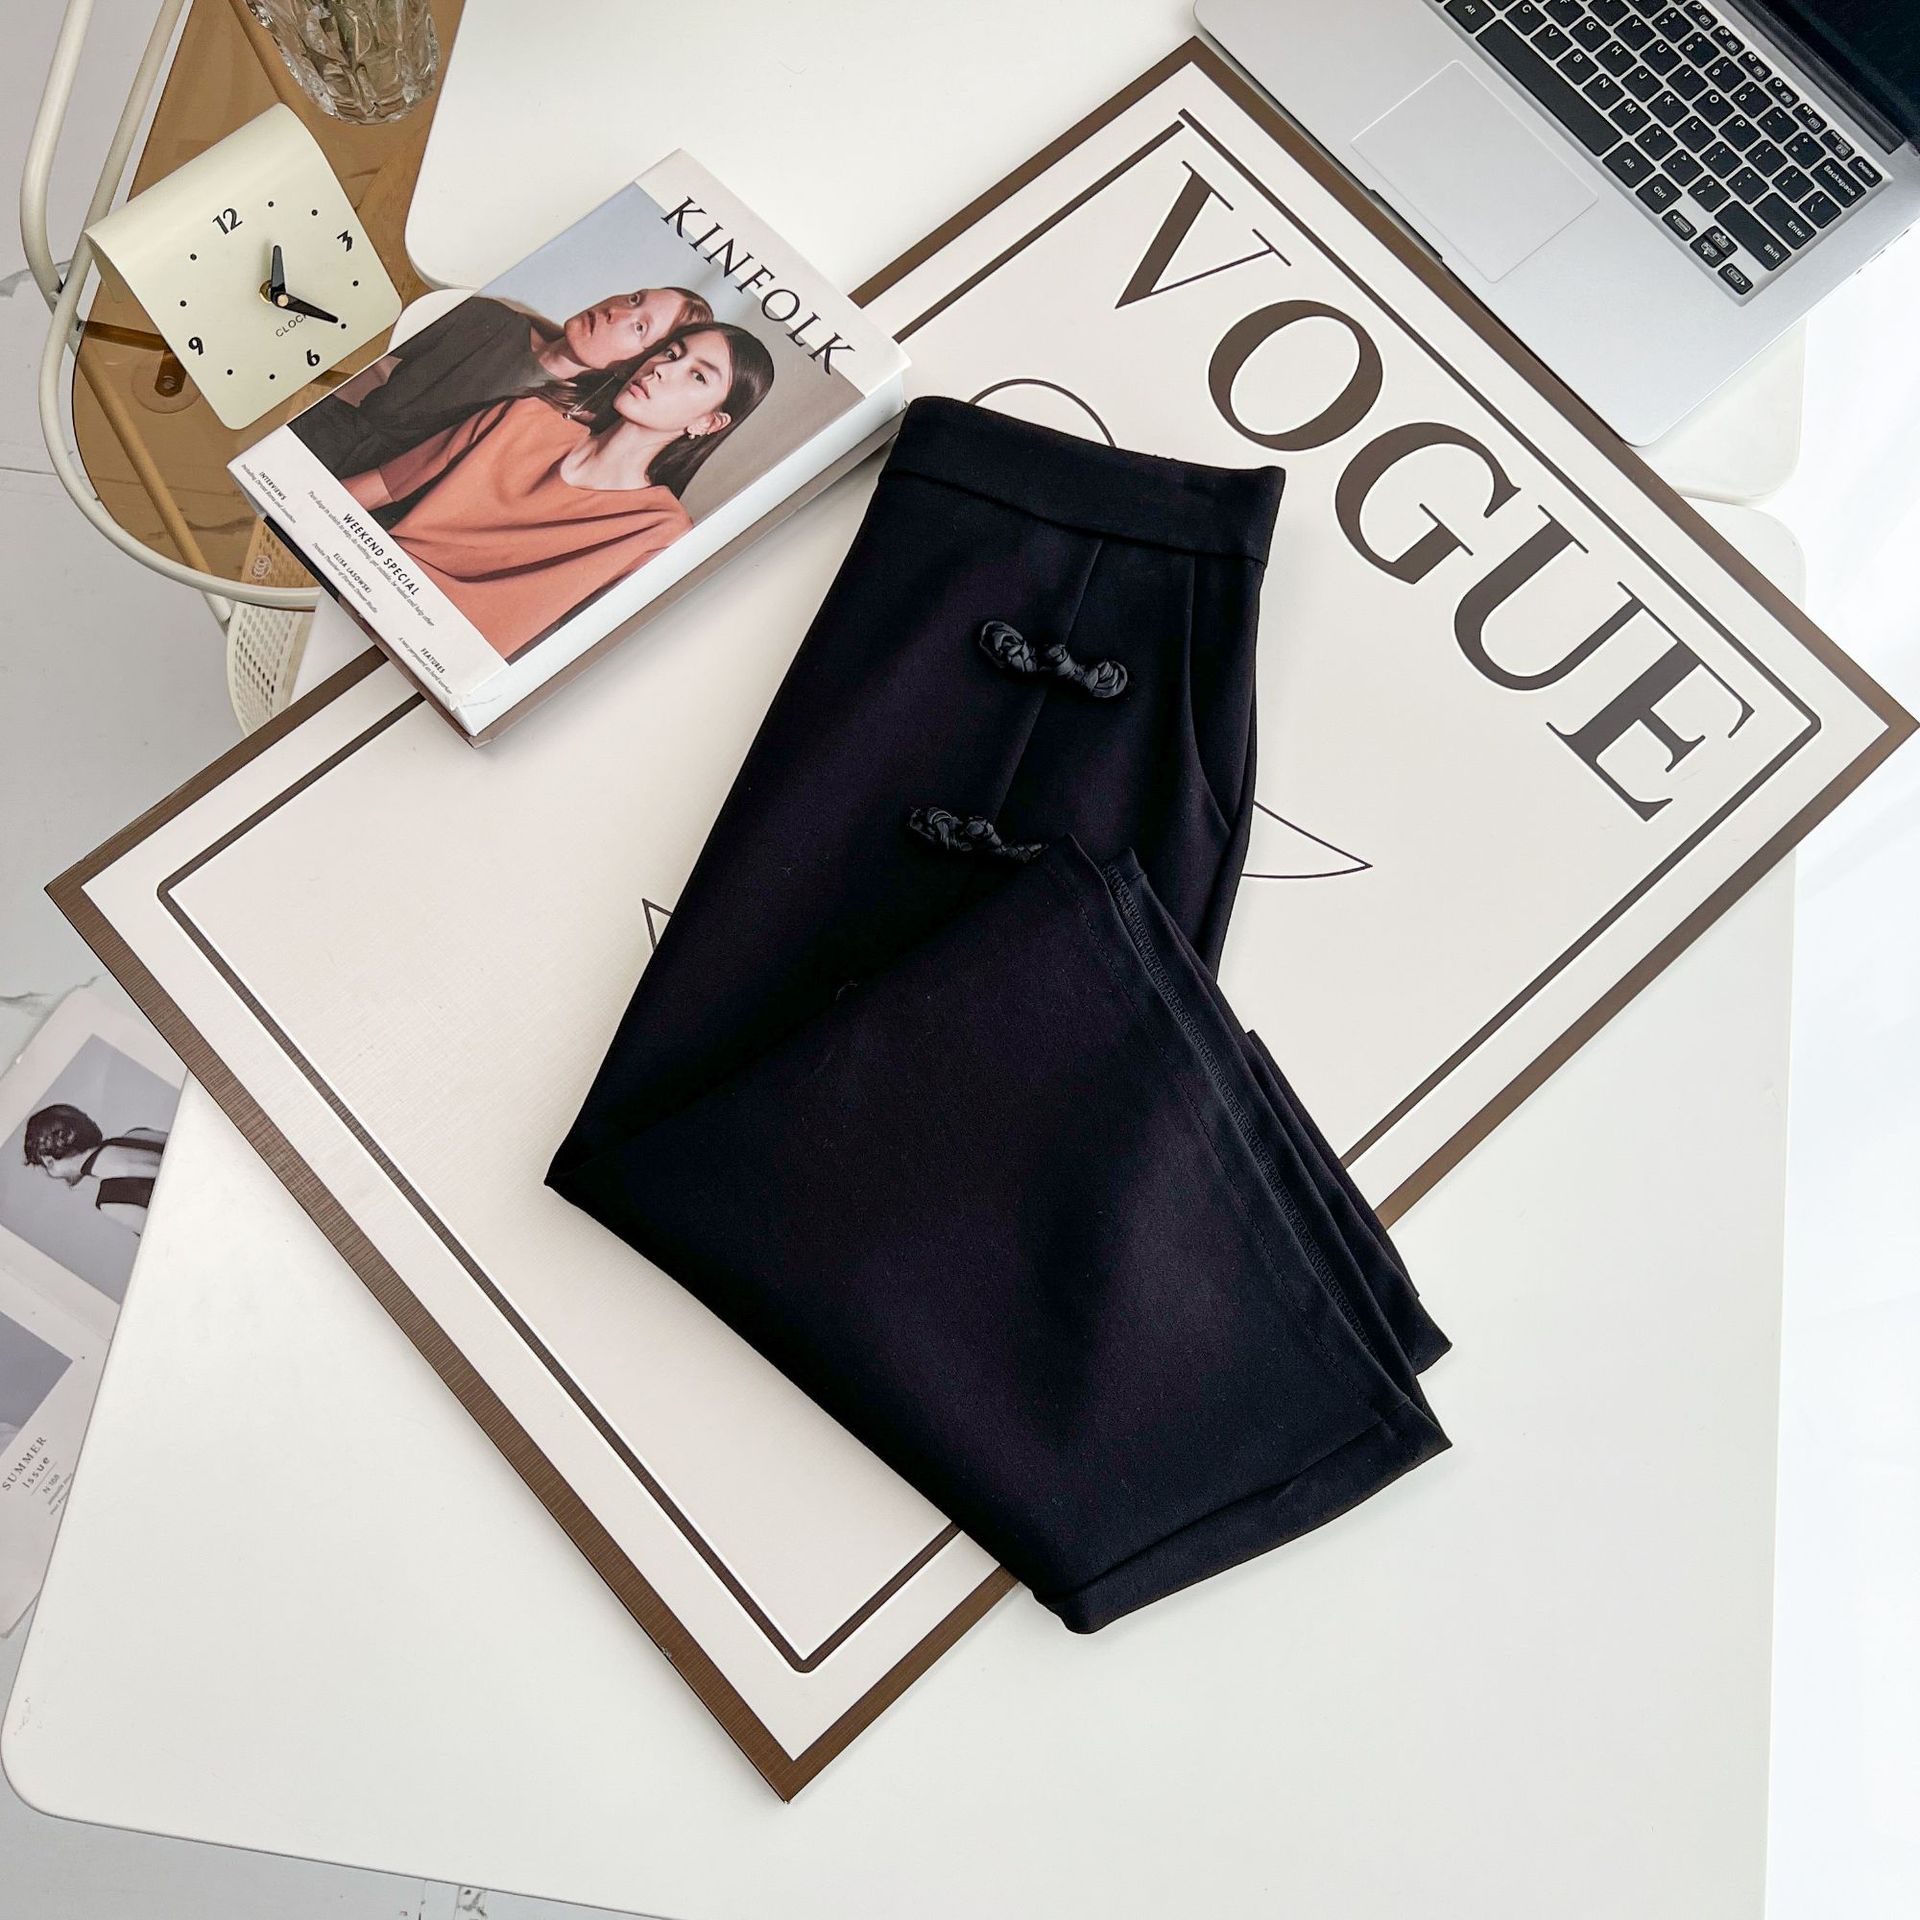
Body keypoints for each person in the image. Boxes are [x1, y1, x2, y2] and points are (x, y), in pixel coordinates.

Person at [341, 322, 776, 658]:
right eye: (671, 353)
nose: (662, 369)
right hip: (356, 586)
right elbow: (380, 485)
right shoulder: (523, 418)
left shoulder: (661, 531)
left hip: (432, 662)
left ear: (707, 423)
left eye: (697, 376)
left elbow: (576, 647)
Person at [293, 285, 714, 480]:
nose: (616, 311)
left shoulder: (570, 429)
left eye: (639, 327)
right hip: (321, 440)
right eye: (634, 299)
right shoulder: (488, 320)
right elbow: (357, 334)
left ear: (635, 366)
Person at [22, 1103, 168, 1237]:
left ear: (49, 1161)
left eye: (44, 1164)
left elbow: (167, 1239)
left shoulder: (110, 1199)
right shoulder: (137, 1134)